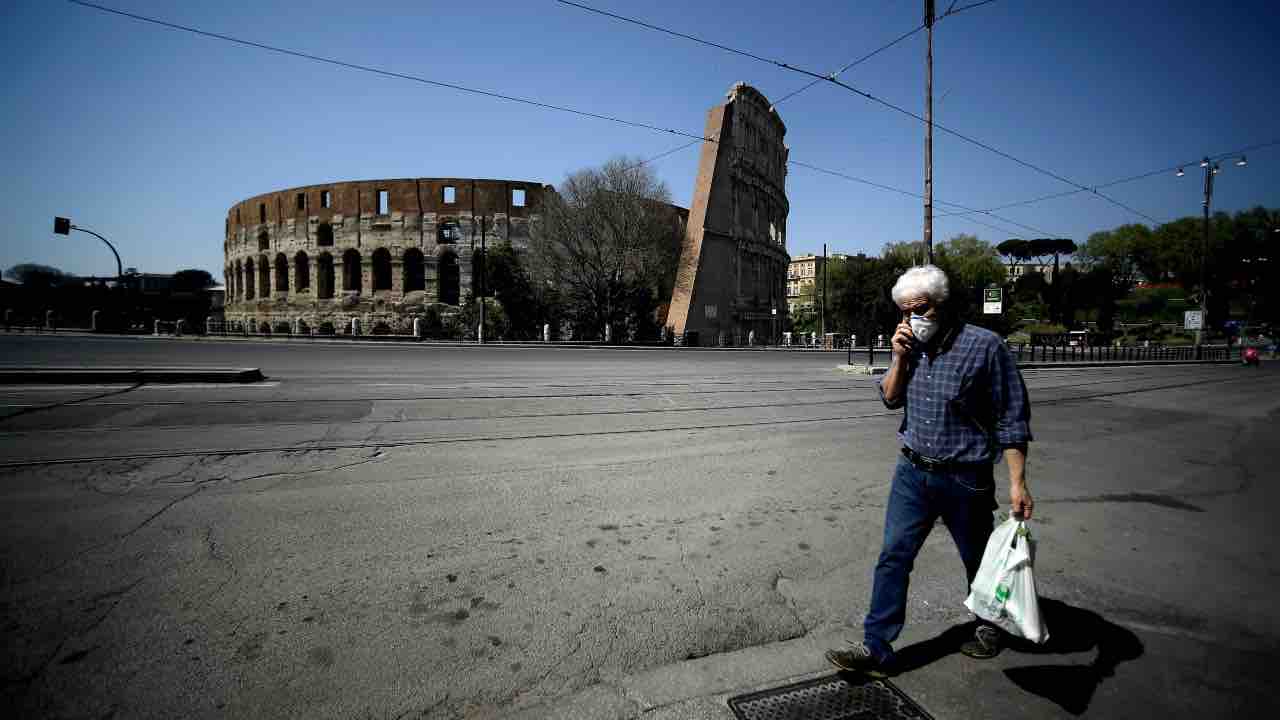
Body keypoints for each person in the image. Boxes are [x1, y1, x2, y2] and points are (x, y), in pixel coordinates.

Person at [826, 265, 1034, 677]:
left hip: (966, 477)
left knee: (977, 558)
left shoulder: (985, 347)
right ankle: (876, 649)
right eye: (903, 312)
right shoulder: (909, 347)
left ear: (941, 306)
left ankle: (988, 625)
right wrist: (899, 358)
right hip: (912, 471)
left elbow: (1012, 418)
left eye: (918, 310)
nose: (910, 320)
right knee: (893, 556)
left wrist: (1018, 482)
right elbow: (889, 399)